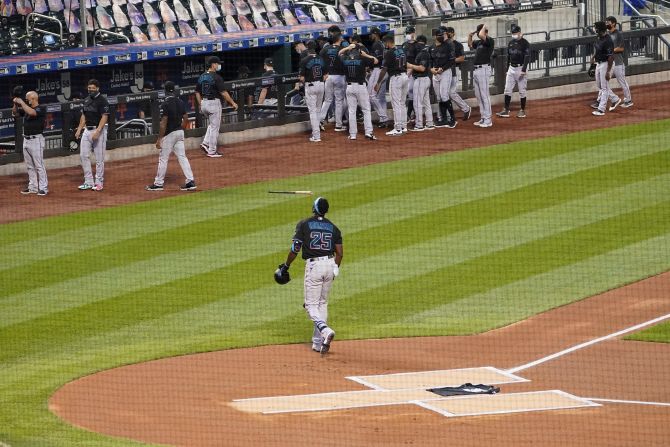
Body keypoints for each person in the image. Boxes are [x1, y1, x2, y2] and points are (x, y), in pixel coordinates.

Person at [277, 197, 343, 355]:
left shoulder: (304, 224)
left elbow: (295, 248)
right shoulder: (334, 228)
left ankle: (325, 331)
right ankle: (317, 342)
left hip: (314, 267)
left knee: (310, 305)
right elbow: (339, 253)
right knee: (322, 304)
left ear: (313, 208)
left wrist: (286, 266)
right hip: (330, 264)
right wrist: (334, 270)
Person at [145, 81, 196, 192]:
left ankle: (158, 183)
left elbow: (163, 122)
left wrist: (159, 138)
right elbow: (186, 118)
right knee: (182, 157)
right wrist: (180, 128)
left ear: (165, 91)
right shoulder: (181, 102)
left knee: (163, 159)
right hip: (179, 132)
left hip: (169, 134)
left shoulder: (165, 104)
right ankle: (190, 181)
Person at [195, 56, 238, 158]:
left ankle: (205, 143)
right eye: (218, 64)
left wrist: (200, 104)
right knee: (215, 127)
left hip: (204, 103)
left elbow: (196, 92)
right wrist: (233, 103)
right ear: (213, 64)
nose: (219, 65)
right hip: (214, 103)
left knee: (212, 124)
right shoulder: (217, 77)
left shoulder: (201, 76)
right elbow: (223, 93)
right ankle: (212, 151)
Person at [339, 38, 378, 141]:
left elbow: (339, 53)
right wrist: (365, 54)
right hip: (361, 87)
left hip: (349, 87)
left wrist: (347, 47)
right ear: (359, 51)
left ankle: (353, 135)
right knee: (366, 110)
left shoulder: (346, 58)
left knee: (352, 111)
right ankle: (368, 133)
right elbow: (376, 60)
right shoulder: (362, 58)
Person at [75, 79, 109, 191]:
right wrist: (79, 129)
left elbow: (104, 116)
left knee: (99, 159)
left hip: (98, 130)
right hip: (87, 130)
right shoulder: (86, 100)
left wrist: (98, 131)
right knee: (83, 156)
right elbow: (84, 116)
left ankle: (99, 182)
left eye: (92, 88)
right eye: (89, 88)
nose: (90, 90)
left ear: (97, 88)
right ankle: (88, 181)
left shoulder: (102, 100)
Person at [13, 90, 48, 196]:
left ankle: (43, 188)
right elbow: (15, 113)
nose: (26, 100)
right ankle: (32, 187)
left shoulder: (41, 108)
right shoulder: (26, 108)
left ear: (34, 99)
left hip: (36, 139)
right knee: (29, 166)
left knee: (39, 165)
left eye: (28, 99)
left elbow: (31, 112)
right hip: (26, 140)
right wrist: (15, 103)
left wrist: (22, 103)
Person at [375, 34, 408, 136]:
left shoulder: (389, 52)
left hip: (396, 78)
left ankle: (398, 128)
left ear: (388, 42)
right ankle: (403, 126)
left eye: (385, 43)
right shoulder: (401, 50)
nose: (385, 45)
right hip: (404, 76)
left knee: (396, 104)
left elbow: (384, 69)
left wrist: (378, 82)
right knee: (402, 103)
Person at [319, 25, 349, 132]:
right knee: (339, 101)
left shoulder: (325, 50)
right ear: (338, 39)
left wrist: (324, 73)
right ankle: (338, 125)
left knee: (327, 100)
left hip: (328, 77)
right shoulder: (343, 50)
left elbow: (320, 63)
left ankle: (320, 121)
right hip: (340, 77)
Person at [497, 25, 530, 118]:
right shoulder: (511, 43)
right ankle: (506, 110)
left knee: (522, 91)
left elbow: (527, 57)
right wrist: (507, 69)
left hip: (520, 68)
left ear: (519, 33)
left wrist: (523, 70)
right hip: (512, 68)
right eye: (513, 33)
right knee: (507, 89)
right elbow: (508, 56)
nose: (514, 35)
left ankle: (522, 110)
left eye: (515, 33)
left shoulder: (525, 43)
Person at [429, 26, 457, 128]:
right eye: (440, 35)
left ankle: (452, 119)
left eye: (443, 35)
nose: (442, 36)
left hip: (445, 72)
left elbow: (452, 61)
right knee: (439, 97)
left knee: (444, 95)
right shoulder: (431, 47)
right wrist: (431, 69)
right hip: (435, 73)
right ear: (436, 36)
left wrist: (442, 69)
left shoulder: (448, 45)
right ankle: (444, 119)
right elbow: (430, 61)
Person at [590, 21, 619, 116]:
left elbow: (611, 57)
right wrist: (593, 57)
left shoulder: (608, 41)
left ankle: (601, 109)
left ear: (600, 29)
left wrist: (608, 71)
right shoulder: (599, 37)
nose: (594, 29)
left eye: (595, 27)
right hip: (599, 63)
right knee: (600, 85)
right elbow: (598, 49)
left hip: (606, 64)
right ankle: (615, 99)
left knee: (604, 87)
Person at [299, 40, 326, 142]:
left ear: (307, 48)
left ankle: (316, 136)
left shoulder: (304, 60)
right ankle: (317, 132)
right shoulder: (321, 59)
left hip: (311, 86)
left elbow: (301, 78)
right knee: (318, 109)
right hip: (321, 85)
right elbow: (326, 75)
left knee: (312, 111)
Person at [406, 35, 435, 131]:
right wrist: (409, 73)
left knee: (417, 103)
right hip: (425, 79)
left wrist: (409, 65)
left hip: (421, 80)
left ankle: (419, 125)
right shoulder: (424, 52)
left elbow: (422, 68)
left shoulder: (422, 53)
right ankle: (430, 123)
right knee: (426, 103)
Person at [468, 23, 494, 128]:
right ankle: (483, 117)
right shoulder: (479, 42)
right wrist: (470, 35)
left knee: (484, 95)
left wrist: (484, 27)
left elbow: (483, 34)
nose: (478, 34)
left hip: (484, 69)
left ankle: (488, 120)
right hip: (477, 70)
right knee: (478, 95)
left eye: (479, 32)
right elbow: (470, 44)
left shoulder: (489, 41)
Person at [605, 16, 633, 108]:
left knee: (622, 82)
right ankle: (610, 99)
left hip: (618, 63)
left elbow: (621, 48)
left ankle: (628, 100)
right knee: (604, 83)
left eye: (608, 22)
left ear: (613, 23)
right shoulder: (607, 34)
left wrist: (612, 50)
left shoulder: (618, 34)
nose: (607, 23)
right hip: (609, 63)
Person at [446, 27, 471, 121]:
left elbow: (462, 58)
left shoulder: (458, 45)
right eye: (447, 32)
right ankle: (447, 115)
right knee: (445, 94)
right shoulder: (444, 45)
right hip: (445, 71)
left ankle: (466, 108)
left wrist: (450, 60)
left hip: (455, 69)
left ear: (453, 33)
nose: (448, 34)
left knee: (451, 92)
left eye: (450, 32)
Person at [366, 27, 388, 128]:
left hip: (378, 71)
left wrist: (367, 61)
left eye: (371, 34)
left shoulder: (377, 44)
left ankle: (383, 117)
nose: (370, 36)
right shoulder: (381, 44)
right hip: (382, 71)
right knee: (379, 97)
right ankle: (383, 119)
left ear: (376, 34)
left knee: (371, 95)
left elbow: (377, 59)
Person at [402, 25, 419, 125]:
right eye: (407, 33)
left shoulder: (416, 45)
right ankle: (409, 115)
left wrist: (411, 69)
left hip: (414, 72)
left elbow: (418, 60)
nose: (408, 35)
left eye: (409, 33)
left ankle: (410, 114)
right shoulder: (404, 45)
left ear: (413, 33)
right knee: (408, 93)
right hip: (405, 71)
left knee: (411, 93)